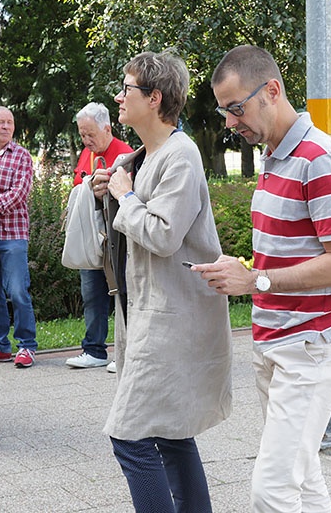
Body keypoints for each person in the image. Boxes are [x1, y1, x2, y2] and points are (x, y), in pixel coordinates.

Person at [198, 45, 331, 512]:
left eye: (236, 109)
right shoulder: (275, 153)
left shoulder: (320, 159)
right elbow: (288, 249)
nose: (230, 123)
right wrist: (248, 271)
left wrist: (255, 280)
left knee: (272, 491)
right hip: (277, 341)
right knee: (303, 478)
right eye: (224, 111)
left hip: (311, 346)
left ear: (271, 91)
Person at [90, 51, 232, 512]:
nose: (118, 96)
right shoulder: (146, 156)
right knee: (169, 433)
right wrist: (112, 193)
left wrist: (124, 196)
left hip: (172, 317)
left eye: (126, 89)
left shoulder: (181, 155)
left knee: (129, 435)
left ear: (154, 98)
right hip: (149, 311)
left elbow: (163, 234)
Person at [65, 102, 132, 370]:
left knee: (124, 293)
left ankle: (126, 353)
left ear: (108, 128)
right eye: (82, 134)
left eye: (91, 134)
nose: (86, 140)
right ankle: (94, 350)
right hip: (94, 236)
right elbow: (77, 189)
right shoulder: (86, 154)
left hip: (118, 237)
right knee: (91, 293)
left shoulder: (124, 154)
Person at [0, 106, 39, 368]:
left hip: (12, 235)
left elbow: (19, 192)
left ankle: (27, 345)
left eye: (10, 122)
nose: (6, 126)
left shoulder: (22, 156)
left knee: (17, 291)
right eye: (0, 122)